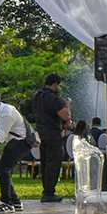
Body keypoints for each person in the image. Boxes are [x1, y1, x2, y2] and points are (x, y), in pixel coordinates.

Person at [29, 74, 72, 202]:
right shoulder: (54, 99)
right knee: (54, 163)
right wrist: (67, 105)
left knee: (45, 163)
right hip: (53, 134)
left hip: (41, 133)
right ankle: (49, 192)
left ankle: (46, 190)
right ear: (55, 84)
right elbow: (66, 116)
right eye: (58, 85)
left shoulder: (37, 97)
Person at [0, 99, 30, 213]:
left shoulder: (6, 115)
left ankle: (8, 203)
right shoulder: (0, 111)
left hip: (21, 142)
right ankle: (16, 202)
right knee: (3, 170)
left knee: (2, 169)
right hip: (16, 142)